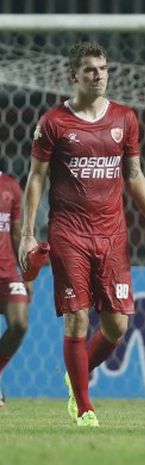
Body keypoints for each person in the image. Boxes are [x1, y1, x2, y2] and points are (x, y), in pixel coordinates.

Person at [20, 42, 145, 427]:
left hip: (112, 234)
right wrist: (26, 233)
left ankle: (77, 374)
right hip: (69, 231)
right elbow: (36, 178)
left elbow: (134, 174)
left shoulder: (125, 119)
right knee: (77, 319)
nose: (99, 75)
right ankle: (84, 406)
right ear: (74, 75)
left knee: (117, 325)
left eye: (103, 69)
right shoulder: (53, 122)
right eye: (90, 70)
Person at [0, 168, 32, 408]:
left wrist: (27, 275)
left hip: (8, 273)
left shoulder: (11, 186)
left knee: (19, 324)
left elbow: (17, 235)